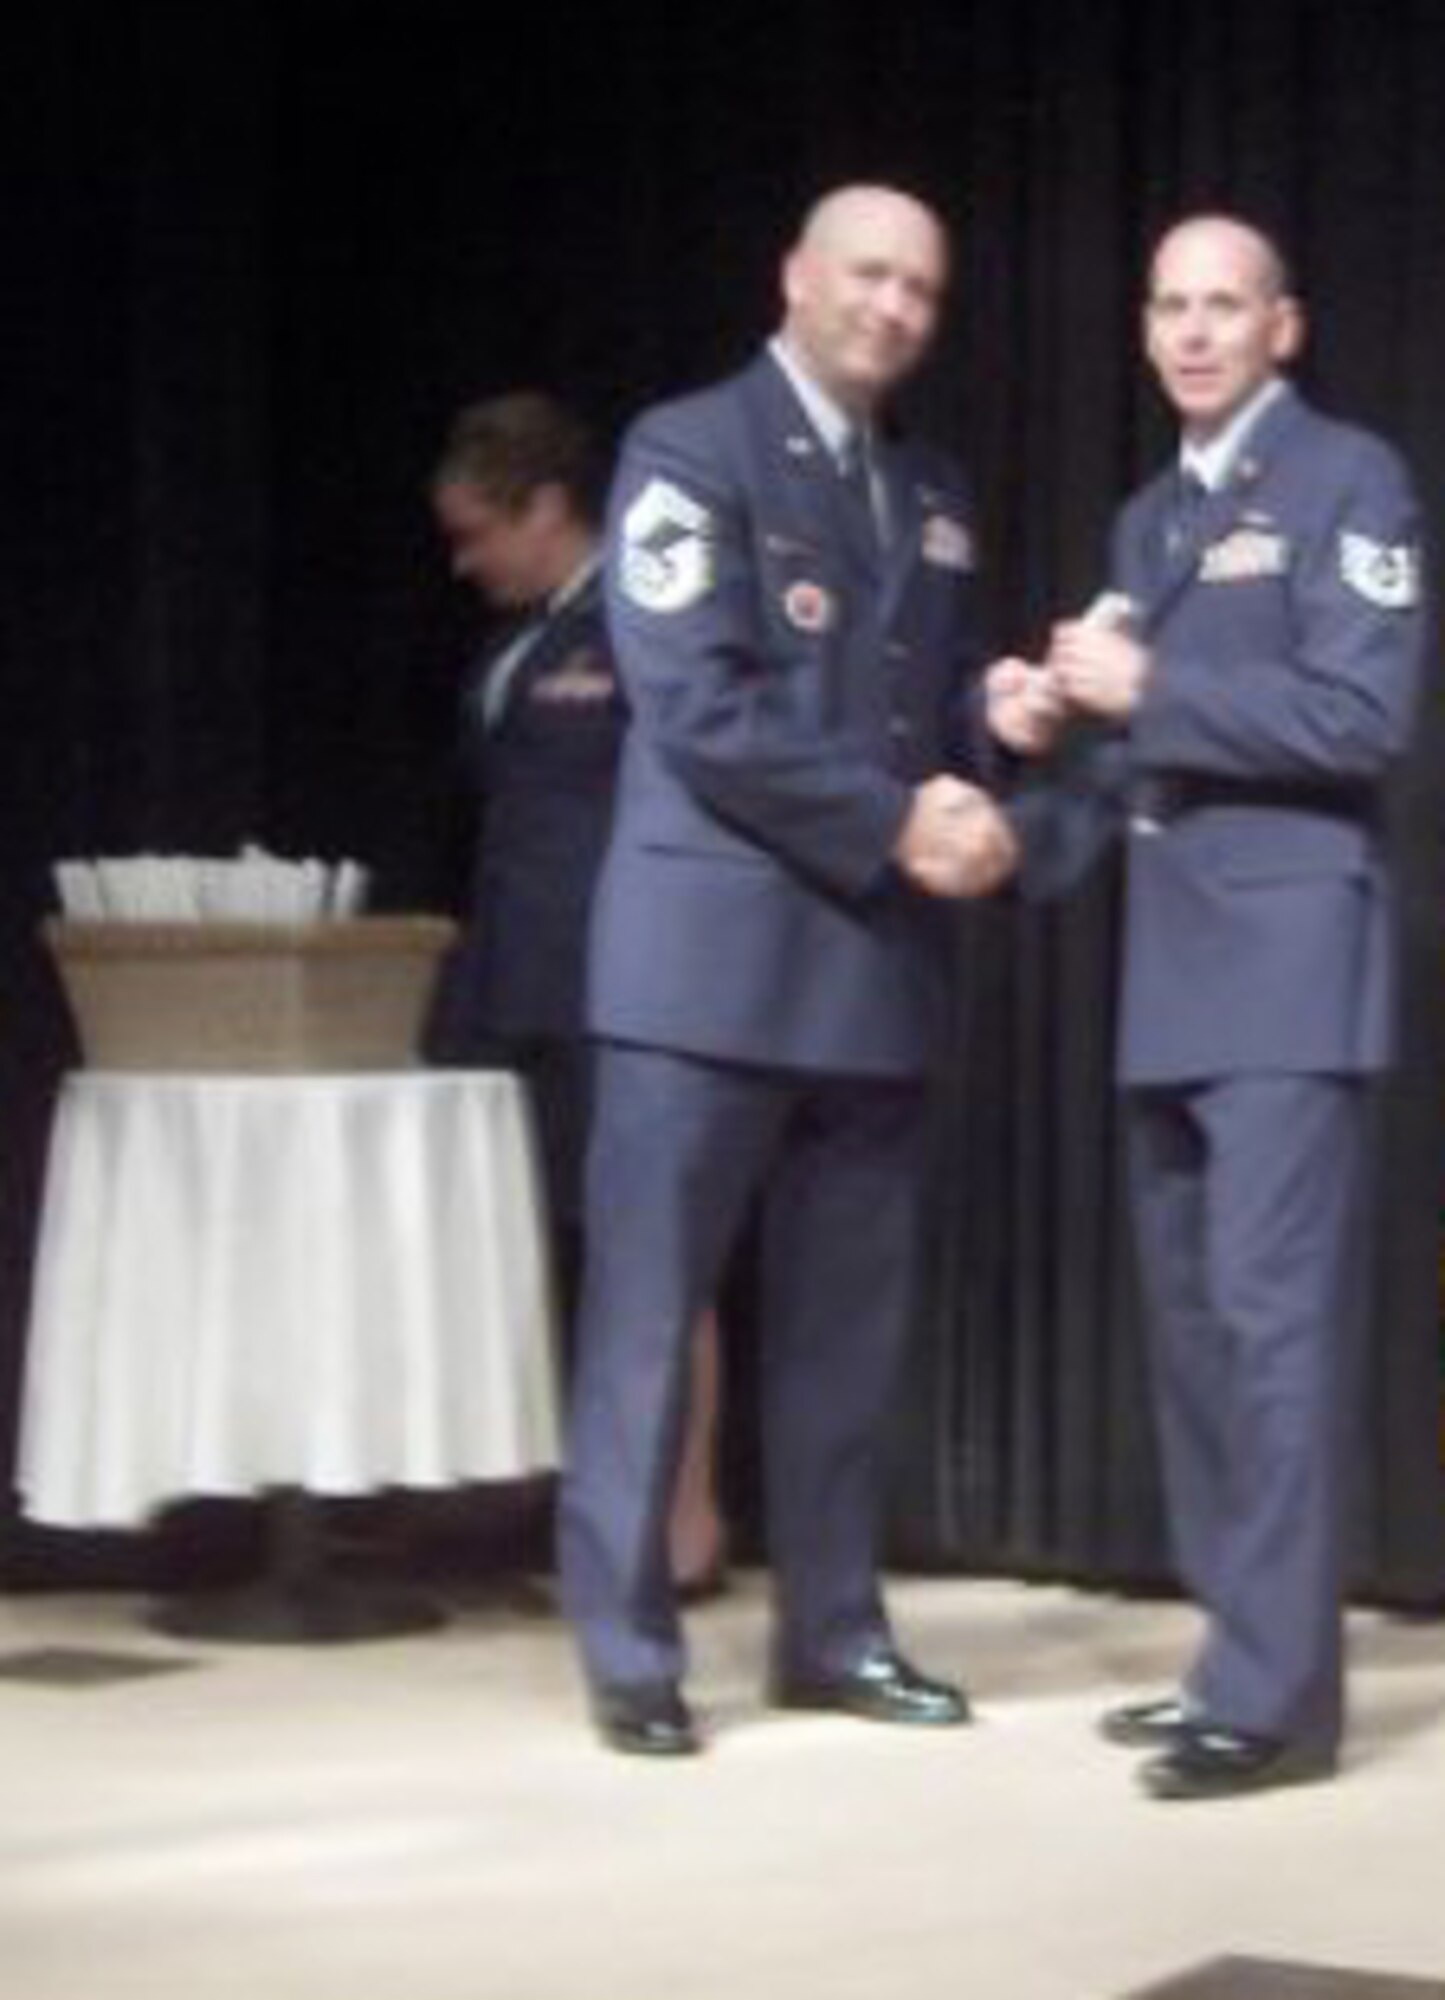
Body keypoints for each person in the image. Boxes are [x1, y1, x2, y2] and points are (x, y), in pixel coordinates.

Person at [558, 183, 1023, 1756]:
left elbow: (925, 693)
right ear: (798, 278)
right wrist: (903, 822)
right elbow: (699, 703)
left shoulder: (932, 485)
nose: (895, 307)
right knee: (644, 1322)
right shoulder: (688, 452)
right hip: (705, 969)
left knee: (844, 1339)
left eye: (923, 289)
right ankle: (628, 1656)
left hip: (872, 974)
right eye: (870, 275)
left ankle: (831, 1634)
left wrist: (996, 724)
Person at [988, 214, 1428, 1800]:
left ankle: (1280, 1702)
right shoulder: (1150, 516)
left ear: (1282, 327)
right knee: (1189, 1341)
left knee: (1272, 1335)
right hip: (1170, 977)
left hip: (1289, 974)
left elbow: (1358, 710)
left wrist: (1149, 692)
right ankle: (1230, 1652)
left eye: (1222, 305)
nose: (1190, 331)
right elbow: (1130, 764)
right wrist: (1035, 736)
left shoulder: (1345, 480)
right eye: (1167, 304)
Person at [428, 391, 728, 1595]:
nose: (464, 560)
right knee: (547, 1258)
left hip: (623, 990)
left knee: (657, 1257)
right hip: (513, 984)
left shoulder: (637, 619)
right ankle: (570, 1507)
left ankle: (689, 1525)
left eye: (475, 533)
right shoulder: (517, 640)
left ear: (545, 507)